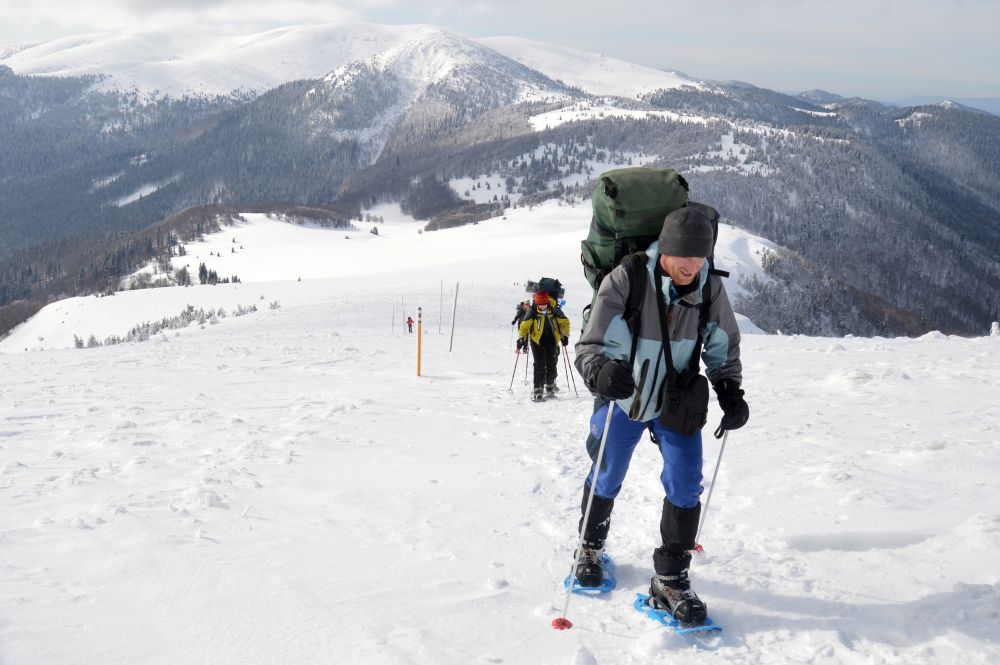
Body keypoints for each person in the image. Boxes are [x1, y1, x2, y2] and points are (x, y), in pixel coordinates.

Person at [573, 207, 749, 624]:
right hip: (624, 399)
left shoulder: (709, 290)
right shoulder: (628, 279)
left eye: (700, 257)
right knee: (606, 471)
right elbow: (589, 345)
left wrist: (729, 389)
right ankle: (589, 548)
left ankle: (670, 577)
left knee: (687, 481)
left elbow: (723, 347)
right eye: (682, 257)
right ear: (663, 251)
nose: (691, 265)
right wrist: (601, 371)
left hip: (675, 403)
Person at [517, 291, 570, 401]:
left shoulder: (554, 309)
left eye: (544, 304)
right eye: (540, 304)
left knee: (551, 363)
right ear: (536, 303)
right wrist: (521, 340)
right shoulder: (532, 311)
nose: (542, 306)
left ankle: (550, 387)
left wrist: (564, 336)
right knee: (539, 364)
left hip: (551, 340)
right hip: (537, 341)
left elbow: (565, 322)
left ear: (547, 302)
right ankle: (538, 389)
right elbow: (524, 326)